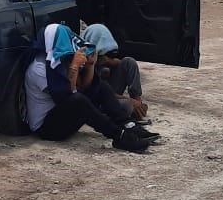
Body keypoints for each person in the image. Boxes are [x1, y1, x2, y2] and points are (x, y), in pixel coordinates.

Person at [24, 23, 158, 152]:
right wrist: (74, 67)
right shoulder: (39, 69)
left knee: (102, 87)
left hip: (63, 115)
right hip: (47, 129)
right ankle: (119, 136)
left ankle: (128, 125)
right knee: (79, 100)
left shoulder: (57, 61)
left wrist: (90, 65)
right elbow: (68, 96)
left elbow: (85, 86)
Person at [82, 24, 149, 122]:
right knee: (127, 106)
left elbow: (120, 63)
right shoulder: (85, 62)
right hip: (97, 100)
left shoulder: (106, 60)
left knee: (129, 61)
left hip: (112, 94)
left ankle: (138, 104)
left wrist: (110, 61)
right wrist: (129, 101)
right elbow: (100, 90)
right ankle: (133, 106)